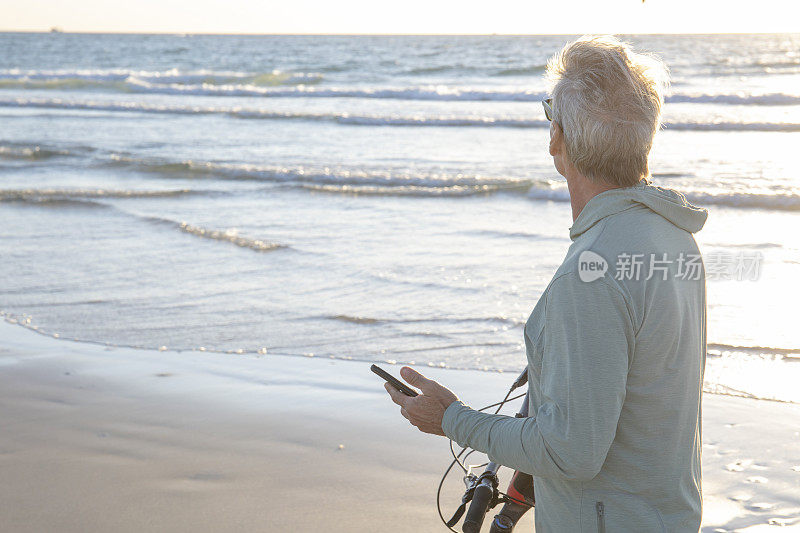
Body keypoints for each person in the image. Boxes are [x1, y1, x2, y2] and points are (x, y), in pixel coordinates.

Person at [384, 35, 708, 532]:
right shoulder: (672, 235)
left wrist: (450, 418)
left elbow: (570, 451)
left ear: (556, 138)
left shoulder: (590, 274)